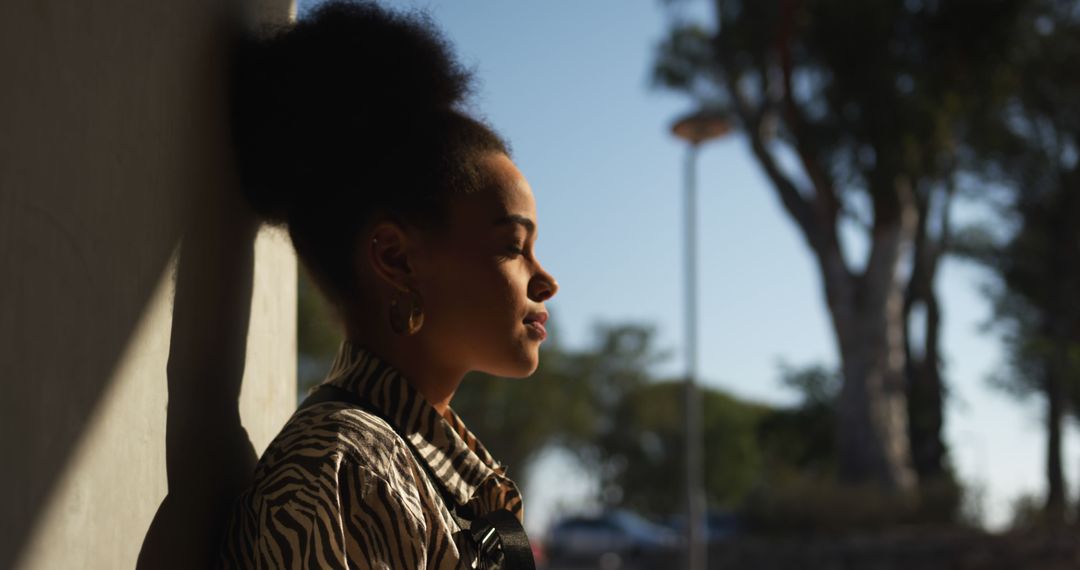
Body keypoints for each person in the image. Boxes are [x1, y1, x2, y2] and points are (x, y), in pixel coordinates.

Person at [219, 1, 558, 568]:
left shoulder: (410, 465)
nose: (544, 279)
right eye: (512, 246)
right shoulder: (341, 473)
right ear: (396, 259)